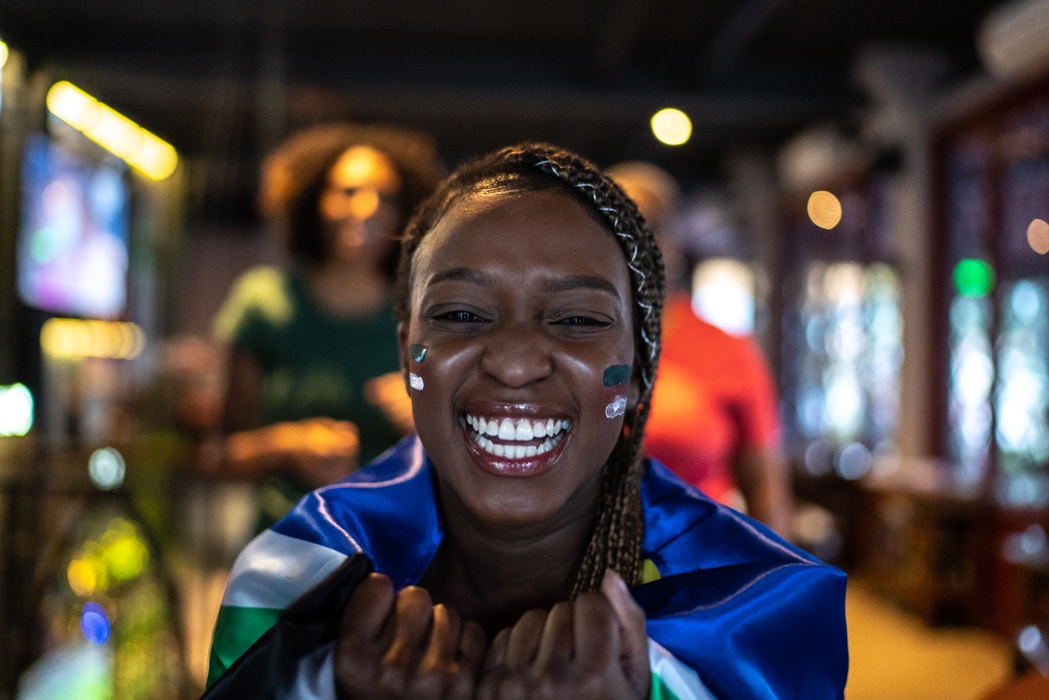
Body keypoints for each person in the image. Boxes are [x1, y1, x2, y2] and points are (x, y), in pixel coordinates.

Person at [205, 144, 848, 699]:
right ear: (406, 354)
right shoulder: (297, 576)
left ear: (639, 365)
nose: (514, 362)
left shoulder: (757, 606)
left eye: (577, 319)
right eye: (460, 314)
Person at [209, 123, 444, 529]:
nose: (367, 207)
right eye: (348, 192)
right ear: (313, 201)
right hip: (287, 548)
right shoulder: (264, 303)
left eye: (385, 196)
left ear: (407, 213)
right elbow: (217, 457)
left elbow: (467, 455)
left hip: (392, 544)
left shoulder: (425, 311)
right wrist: (288, 445)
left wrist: (428, 422)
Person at [606, 161, 793, 538]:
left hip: (699, 570)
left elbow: (766, 492)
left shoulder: (727, 349)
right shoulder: (563, 347)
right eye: (612, 227)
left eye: (648, 226)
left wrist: (776, 588)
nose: (631, 243)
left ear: (672, 243)